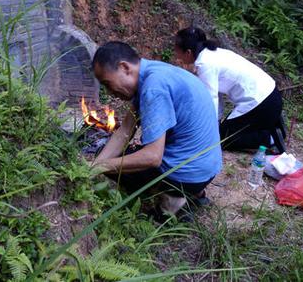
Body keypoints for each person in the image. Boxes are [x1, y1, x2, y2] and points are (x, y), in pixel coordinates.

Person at [91, 41, 222, 219]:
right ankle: (196, 195)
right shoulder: (153, 72)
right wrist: (94, 167)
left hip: (187, 174)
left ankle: (174, 204)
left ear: (124, 68)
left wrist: (103, 166)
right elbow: (125, 131)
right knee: (107, 156)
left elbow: (152, 157)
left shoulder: (153, 89)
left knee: (115, 164)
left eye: (107, 83)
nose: (110, 92)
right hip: (207, 166)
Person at [174, 27, 286, 153]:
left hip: (262, 103)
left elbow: (210, 100)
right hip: (270, 95)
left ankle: (269, 138)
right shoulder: (214, 53)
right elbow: (216, 96)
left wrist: (208, 130)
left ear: (188, 52)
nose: (176, 56)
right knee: (222, 132)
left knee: (222, 140)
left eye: (177, 51)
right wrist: (215, 124)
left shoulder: (205, 64)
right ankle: (270, 124)